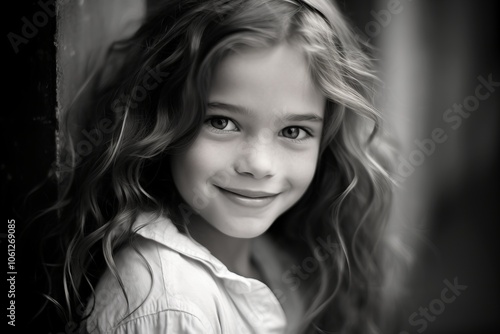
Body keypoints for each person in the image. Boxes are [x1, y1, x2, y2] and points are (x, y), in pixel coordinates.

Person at [44, 0, 397, 333]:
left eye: (294, 131)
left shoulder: (277, 259)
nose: (259, 165)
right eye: (222, 122)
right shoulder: (169, 304)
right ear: (164, 120)